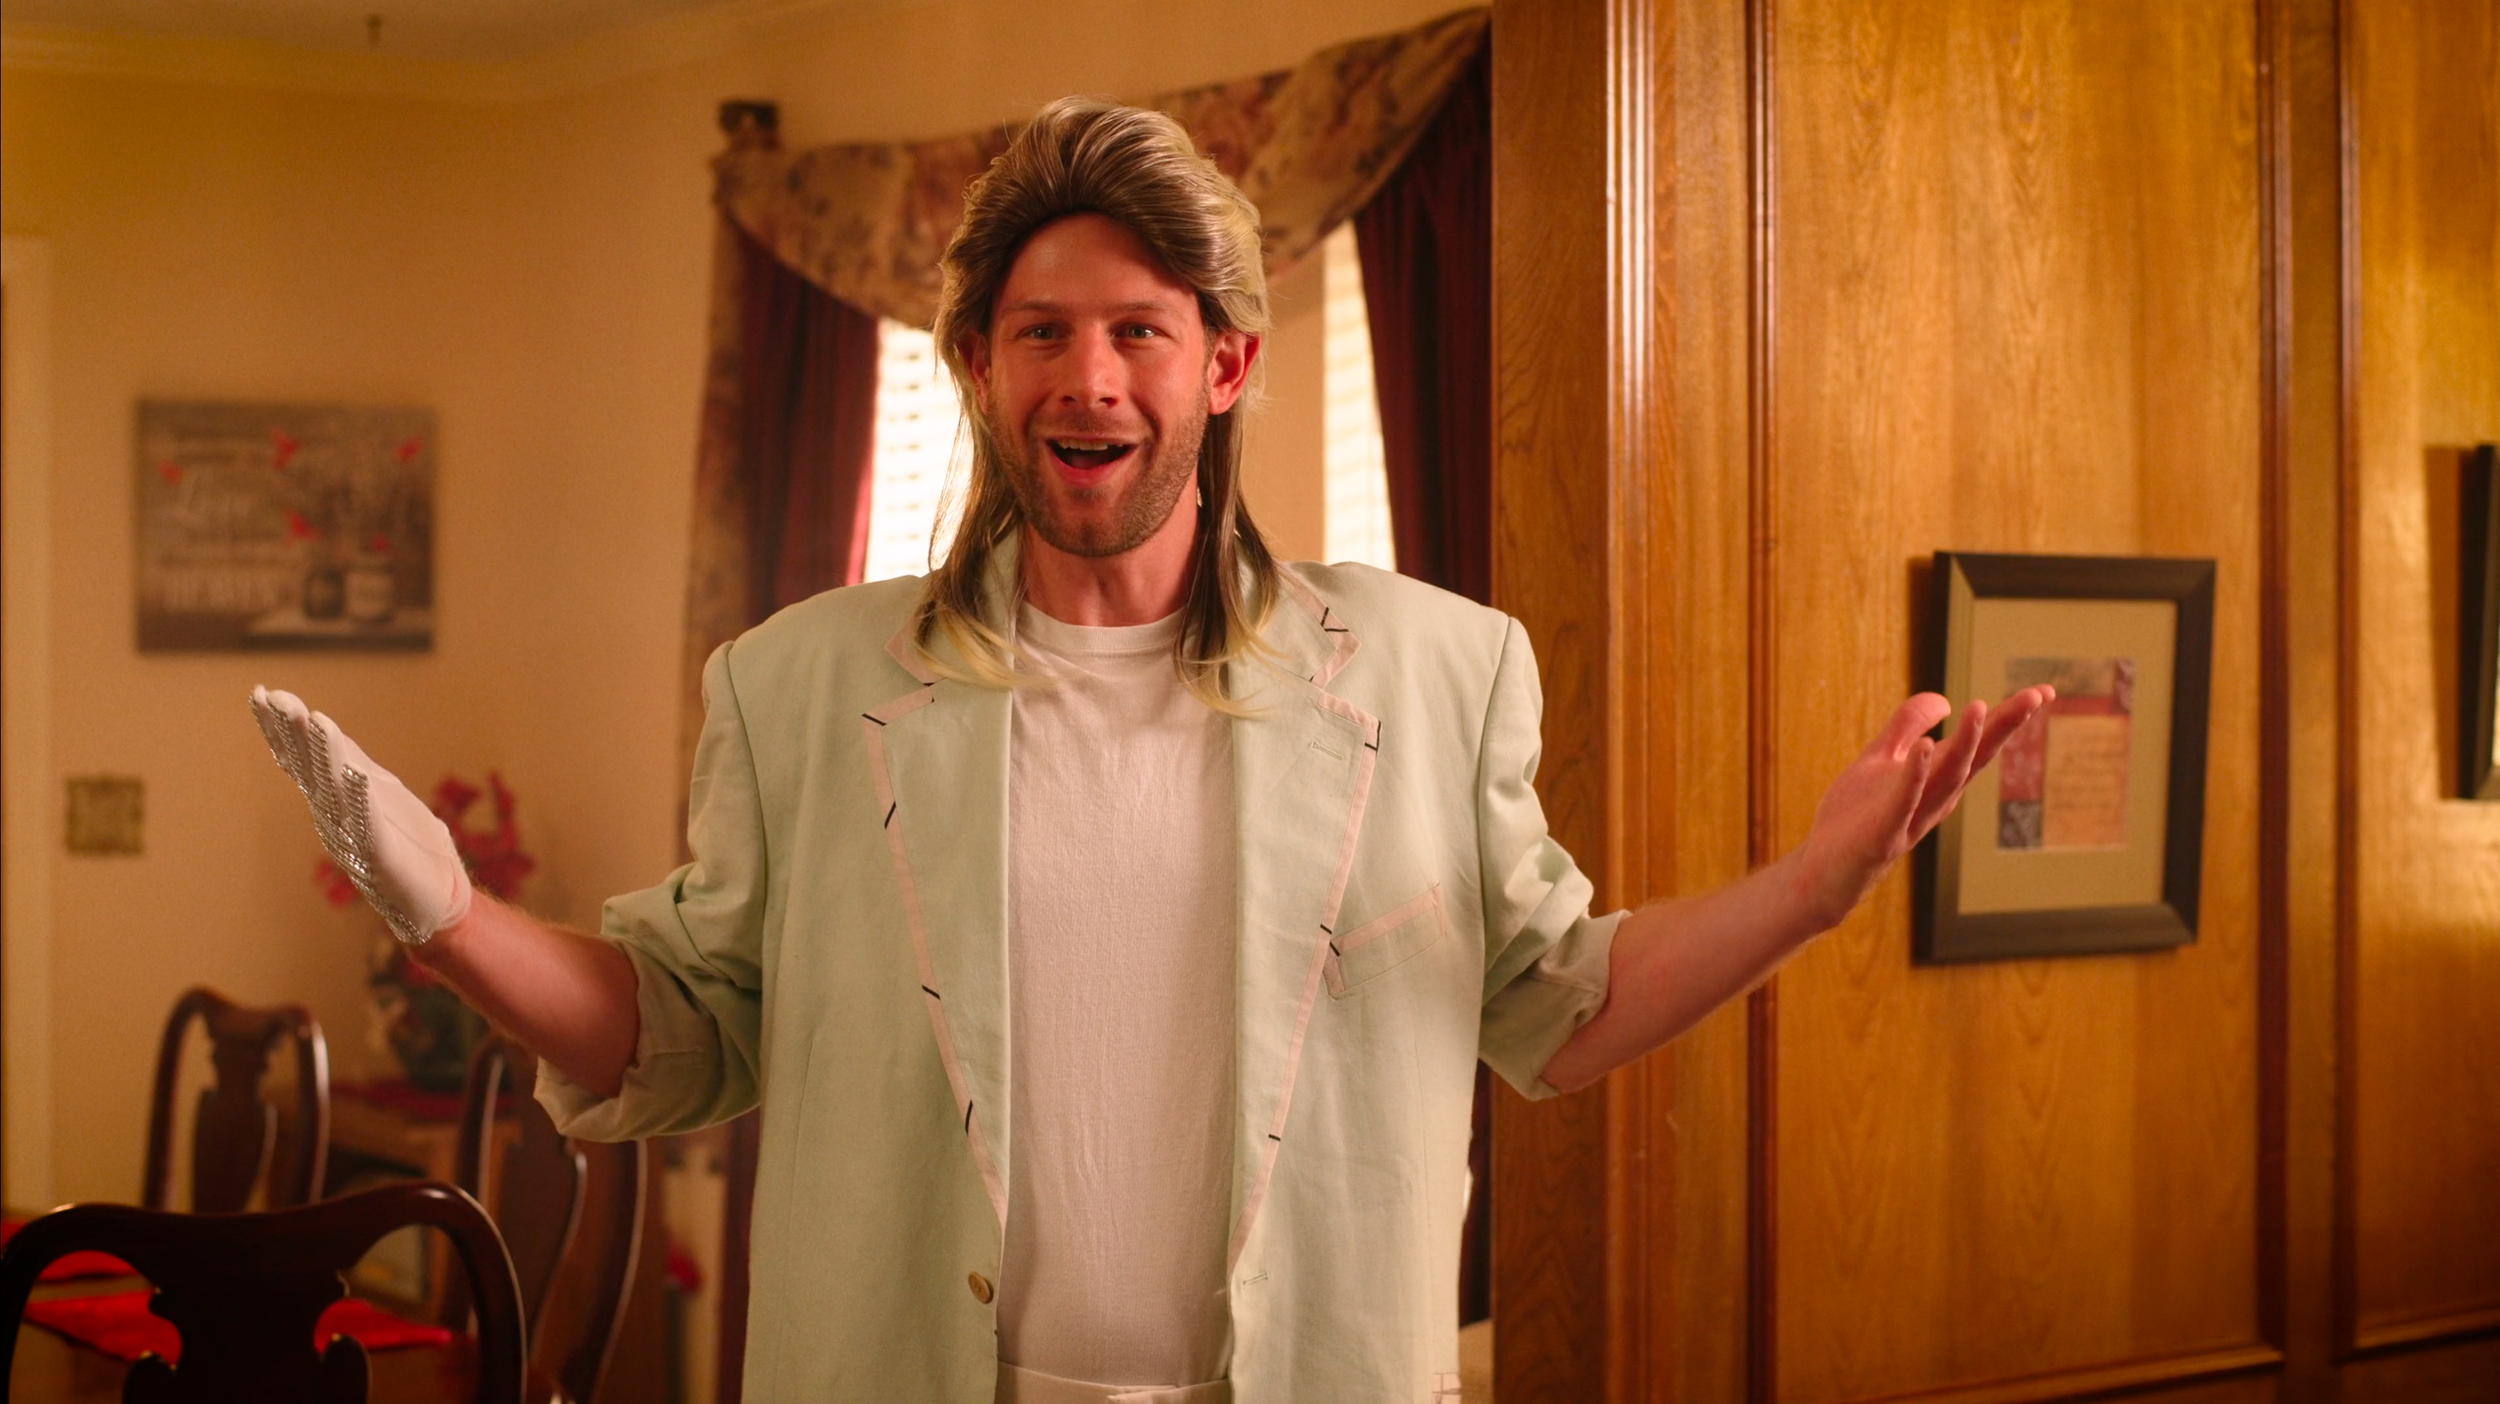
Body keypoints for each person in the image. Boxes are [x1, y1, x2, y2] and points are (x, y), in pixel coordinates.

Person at [252, 98, 2046, 1404]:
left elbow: (1554, 1002)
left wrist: (1814, 891)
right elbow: (684, 1035)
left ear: (1229, 365)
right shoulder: (794, 685)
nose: (1088, 379)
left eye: (1138, 334)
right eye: (1041, 332)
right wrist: (452, 912)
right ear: (975, 361)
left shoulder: (1437, 668)